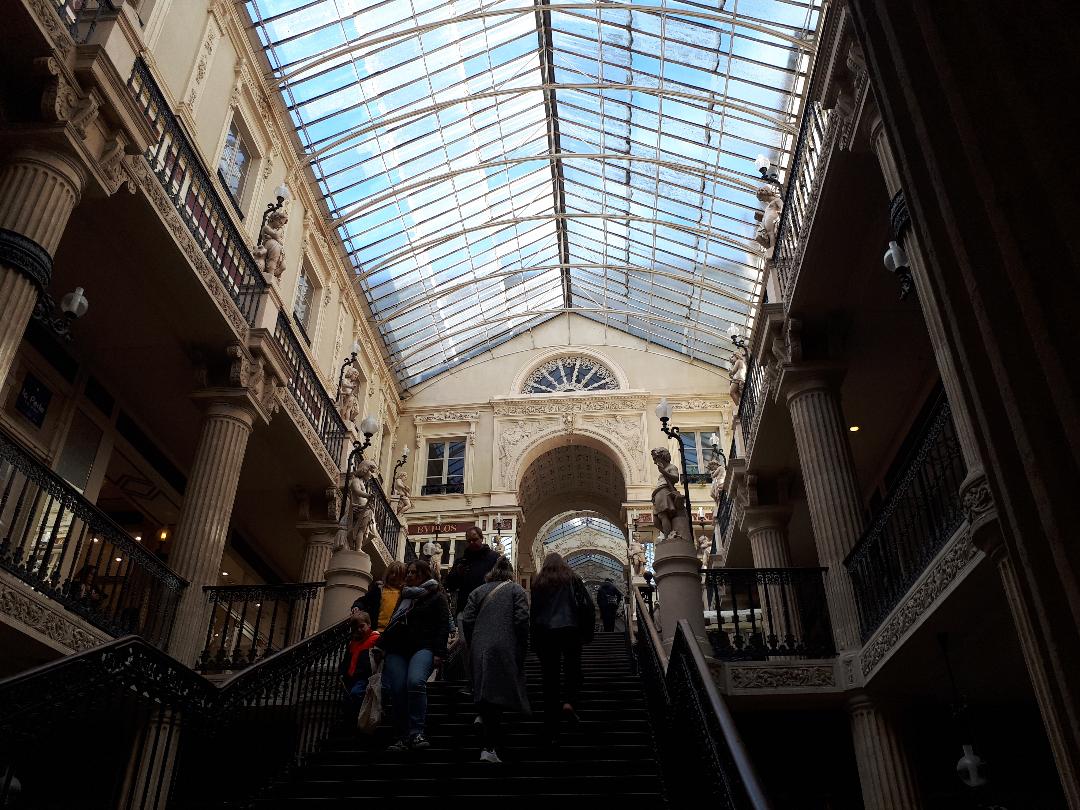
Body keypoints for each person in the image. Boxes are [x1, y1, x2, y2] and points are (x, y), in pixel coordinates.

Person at [461, 555, 530, 763]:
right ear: (511, 574)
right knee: (498, 693)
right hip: (505, 646)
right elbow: (522, 619)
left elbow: (467, 618)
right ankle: (490, 747)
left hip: (480, 646)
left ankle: (485, 728)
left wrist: (478, 637)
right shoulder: (516, 590)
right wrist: (521, 644)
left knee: (485, 689)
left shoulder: (477, 591)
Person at [375, 560, 449, 752]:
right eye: (408, 572)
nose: (408, 576)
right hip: (397, 649)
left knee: (415, 682)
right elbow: (394, 621)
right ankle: (401, 735)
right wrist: (382, 646)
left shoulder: (437, 596)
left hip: (423, 647)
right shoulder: (404, 596)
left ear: (424, 575)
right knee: (397, 689)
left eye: (413, 573)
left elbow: (442, 626)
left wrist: (440, 653)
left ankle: (417, 732)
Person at [529, 552, 595, 745]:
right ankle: (569, 701)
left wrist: (534, 640)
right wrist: (586, 632)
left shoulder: (539, 582)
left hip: (546, 633)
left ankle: (551, 727)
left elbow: (534, 613)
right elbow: (587, 605)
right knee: (572, 668)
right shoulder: (572, 578)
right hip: (570, 630)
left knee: (550, 678)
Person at [444, 527, 499, 694]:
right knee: (465, 645)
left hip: (487, 607)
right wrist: (458, 574)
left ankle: (487, 682)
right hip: (464, 607)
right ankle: (471, 681)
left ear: (482, 538)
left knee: (485, 646)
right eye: (468, 540)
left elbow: (502, 579)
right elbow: (450, 585)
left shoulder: (494, 558)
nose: (471, 543)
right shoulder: (462, 561)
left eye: (475, 539)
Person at [339, 610, 381, 718]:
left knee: (356, 693)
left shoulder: (375, 638)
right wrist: (342, 672)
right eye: (356, 628)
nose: (359, 630)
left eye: (362, 626)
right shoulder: (354, 642)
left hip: (364, 677)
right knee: (349, 699)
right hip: (351, 677)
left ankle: (361, 717)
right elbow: (347, 659)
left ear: (369, 624)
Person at [353, 561, 406, 631]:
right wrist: (357, 606)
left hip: (392, 632)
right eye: (392, 572)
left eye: (397, 574)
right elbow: (363, 601)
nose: (393, 576)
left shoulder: (404, 593)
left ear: (402, 577)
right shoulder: (379, 589)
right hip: (375, 631)